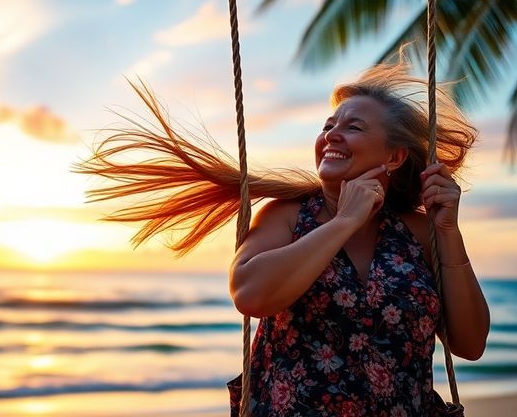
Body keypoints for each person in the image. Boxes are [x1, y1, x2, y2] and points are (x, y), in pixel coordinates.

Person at [74, 62, 490, 416]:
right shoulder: (287, 216)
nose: (332, 135)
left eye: (353, 127)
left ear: (394, 157)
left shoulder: (418, 231)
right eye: (329, 126)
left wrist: (448, 232)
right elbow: (251, 295)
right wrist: (344, 221)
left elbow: (469, 344)